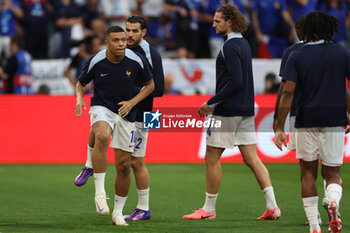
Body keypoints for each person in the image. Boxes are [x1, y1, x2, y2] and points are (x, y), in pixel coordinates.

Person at [182, 4, 280, 221]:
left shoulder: (228, 47)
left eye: (217, 21)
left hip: (227, 112)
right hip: (245, 109)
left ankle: (208, 210)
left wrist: (212, 102)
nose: (213, 23)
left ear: (230, 22)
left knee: (211, 158)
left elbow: (236, 81)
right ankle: (272, 206)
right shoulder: (243, 43)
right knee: (252, 158)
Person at [74, 15, 165, 222]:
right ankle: (90, 165)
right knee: (100, 130)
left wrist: (130, 97)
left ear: (144, 32)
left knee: (136, 163)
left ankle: (143, 207)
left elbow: (158, 89)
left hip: (145, 113)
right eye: (127, 30)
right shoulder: (115, 53)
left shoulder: (150, 54)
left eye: (134, 31)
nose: (129, 35)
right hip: (116, 108)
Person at [274, 11, 349, 233]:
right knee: (333, 173)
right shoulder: (342, 52)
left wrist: (279, 125)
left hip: (305, 118)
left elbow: (287, 91)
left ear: (309, 30)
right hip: (335, 118)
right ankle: (333, 201)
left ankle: (314, 225)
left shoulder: (297, 55)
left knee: (308, 172)